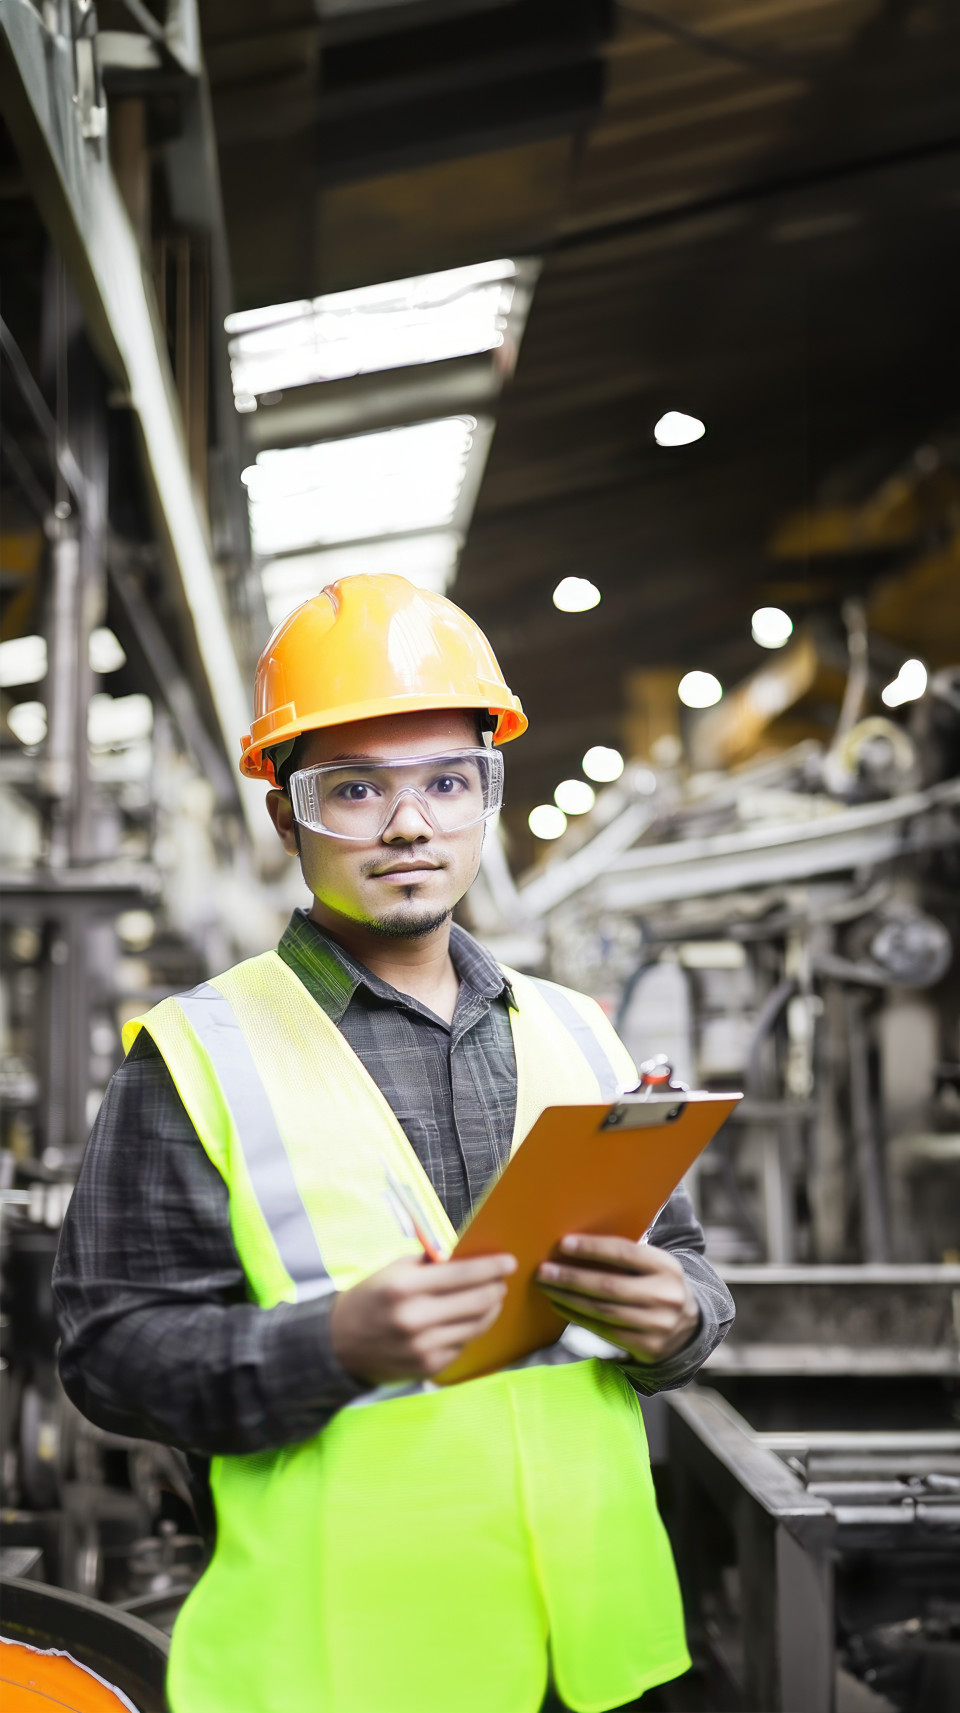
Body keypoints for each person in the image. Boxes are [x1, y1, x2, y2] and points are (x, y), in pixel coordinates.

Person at [54, 575, 734, 1713]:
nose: (410, 824)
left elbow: (688, 1265)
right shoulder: (192, 1055)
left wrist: (680, 1320)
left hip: (602, 1665)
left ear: (486, 800)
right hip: (348, 1673)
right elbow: (108, 1356)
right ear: (286, 814)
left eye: (447, 784)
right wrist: (329, 1347)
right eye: (355, 789)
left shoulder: (579, 1028)